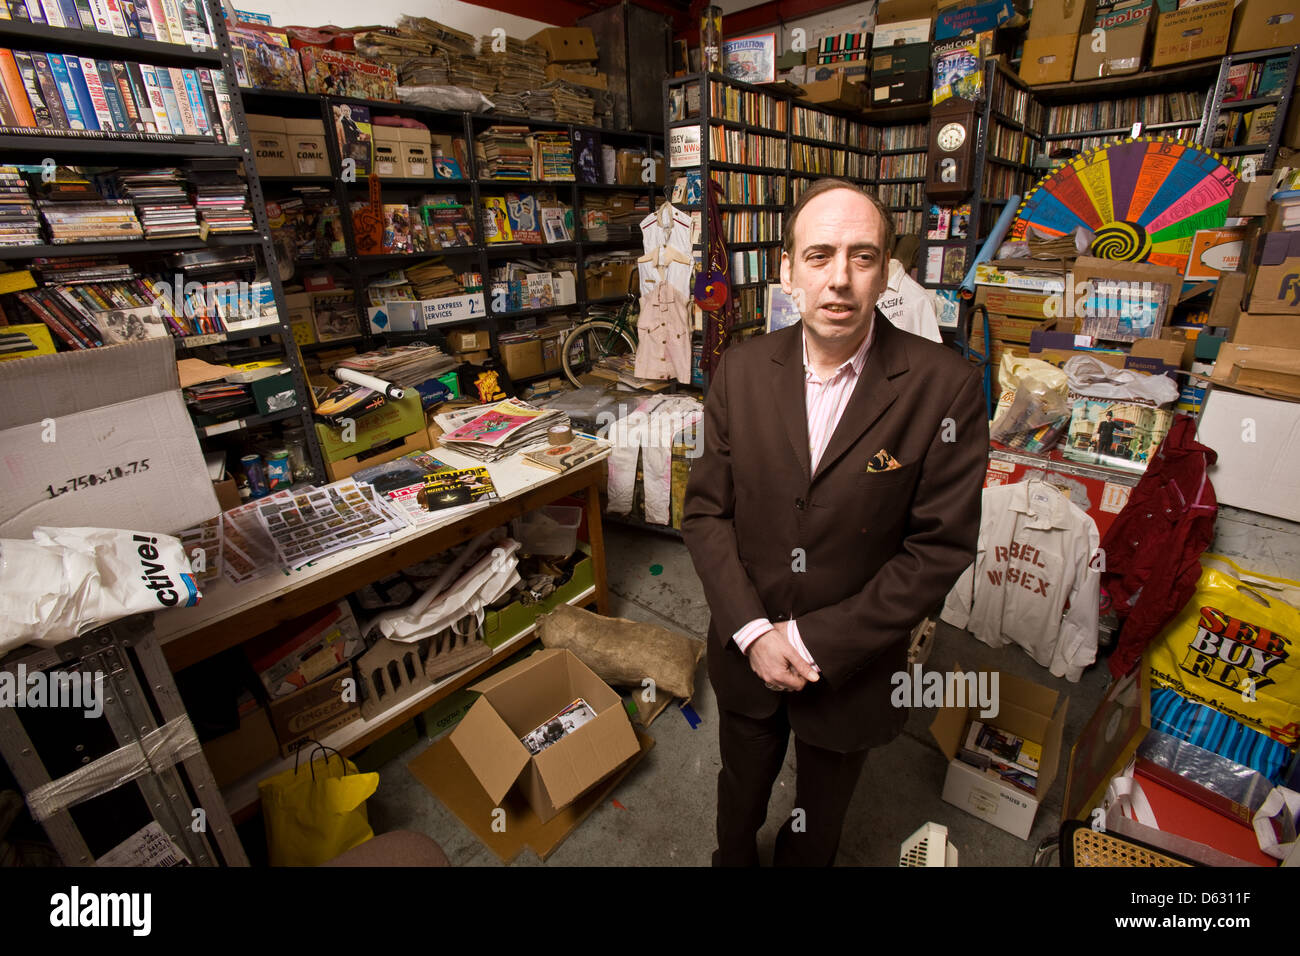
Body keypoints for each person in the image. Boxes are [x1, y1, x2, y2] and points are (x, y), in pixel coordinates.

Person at [682, 178, 988, 867]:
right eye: (819, 256)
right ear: (786, 269)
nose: (840, 279)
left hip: (850, 673)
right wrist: (756, 632)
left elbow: (938, 548)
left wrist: (815, 640)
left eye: (862, 256)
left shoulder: (946, 387)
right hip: (745, 654)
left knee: (815, 826)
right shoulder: (739, 370)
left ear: (887, 272)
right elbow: (705, 512)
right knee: (740, 797)